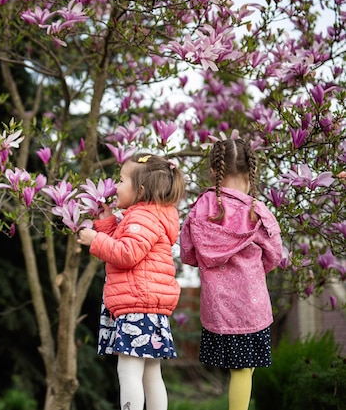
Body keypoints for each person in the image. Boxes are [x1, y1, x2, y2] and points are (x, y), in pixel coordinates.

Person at [179, 138, 283, 410]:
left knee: (243, 370)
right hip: (252, 304)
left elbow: (189, 252)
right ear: (252, 172)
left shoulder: (202, 207)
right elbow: (273, 257)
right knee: (244, 370)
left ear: (214, 171)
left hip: (218, 307)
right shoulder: (258, 212)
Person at [77, 153, 185, 410]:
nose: (115, 185)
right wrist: (106, 222)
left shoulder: (142, 217)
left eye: (122, 180)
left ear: (141, 190)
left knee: (128, 371)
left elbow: (127, 253)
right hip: (148, 306)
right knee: (150, 374)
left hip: (138, 306)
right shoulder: (148, 215)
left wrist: (95, 241)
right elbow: (123, 241)